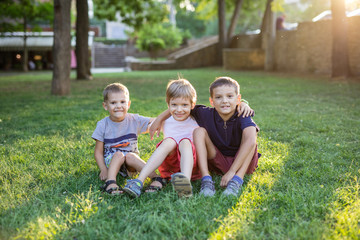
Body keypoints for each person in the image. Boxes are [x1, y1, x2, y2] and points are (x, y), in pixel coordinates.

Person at [150, 77, 259, 197]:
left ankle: (237, 180)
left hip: (243, 163)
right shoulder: (205, 113)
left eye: (229, 96)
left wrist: (232, 171)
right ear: (211, 101)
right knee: (199, 131)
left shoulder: (243, 113)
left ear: (238, 99)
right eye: (218, 97)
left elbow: (250, 142)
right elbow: (182, 106)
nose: (224, 101)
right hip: (218, 162)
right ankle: (206, 179)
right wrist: (159, 118)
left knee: (251, 138)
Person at [123, 78, 201, 198]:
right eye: (174, 105)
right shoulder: (164, 121)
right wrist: (158, 120)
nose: (179, 109)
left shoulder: (198, 120)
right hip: (170, 168)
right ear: (168, 104)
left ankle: (185, 184)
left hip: (192, 167)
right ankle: (139, 181)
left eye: (184, 105)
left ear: (192, 105)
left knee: (185, 142)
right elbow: (143, 124)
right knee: (169, 141)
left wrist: (241, 103)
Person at [92, 83, 162, 195]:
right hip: (112, 163)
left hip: (131, 166)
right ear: (105, 106)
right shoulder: (102, 125)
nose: (119, 106)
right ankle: (110, 182)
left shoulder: (134, 119)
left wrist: (168, 118)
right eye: (113, 103)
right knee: (119, 154)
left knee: (131, 156)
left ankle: (156, 178)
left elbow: (154, 121)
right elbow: (98, 153)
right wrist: (103, 169)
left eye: (122, 102)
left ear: (128, 104)